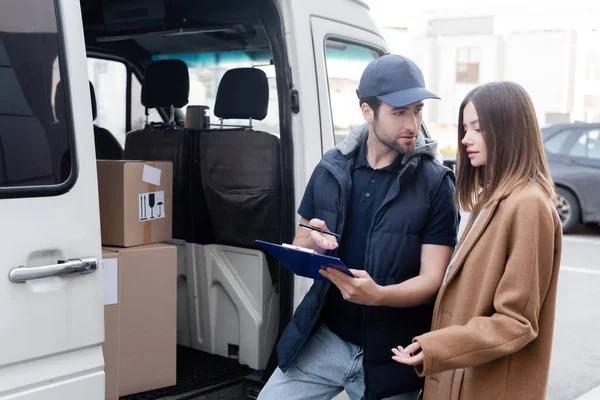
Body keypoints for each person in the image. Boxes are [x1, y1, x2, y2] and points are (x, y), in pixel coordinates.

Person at [258, 54, 459, 400]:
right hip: (326, 339)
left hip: (394, 353)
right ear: (368, 112)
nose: (412, 123)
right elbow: (301, 240)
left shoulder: (437, 184)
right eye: (399, 112)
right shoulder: (331, 168)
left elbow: (432, 280)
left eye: (418, 110)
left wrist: (378, 296)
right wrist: (314, 243)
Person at [391, 81, 563, 400]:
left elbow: (516, 322)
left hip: (486, 385)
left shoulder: (528, 205)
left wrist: (437, 347)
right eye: (465, 128)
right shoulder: (493, 198)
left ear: (509, 131)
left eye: (478, 129)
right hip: (461, 379)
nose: (465, 139)